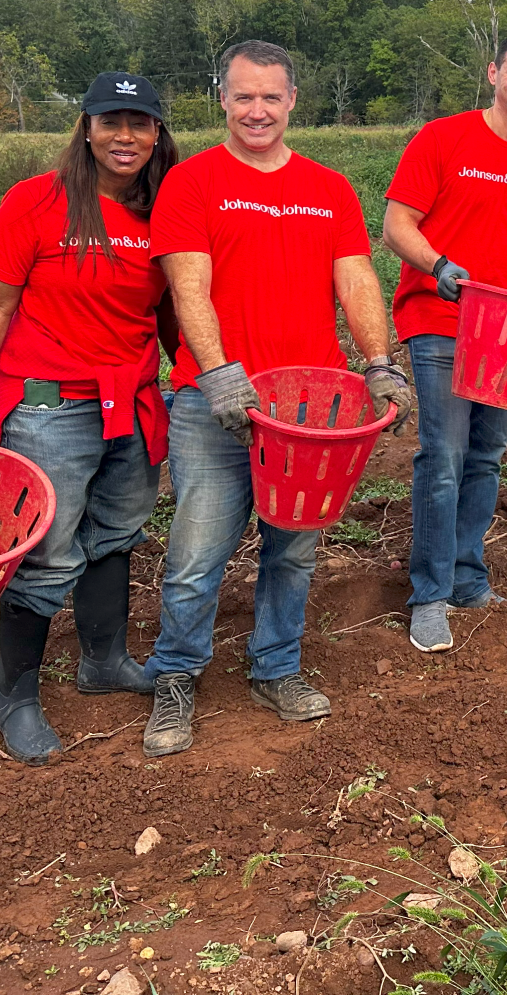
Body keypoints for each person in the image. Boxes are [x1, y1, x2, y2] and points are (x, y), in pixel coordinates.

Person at [142, 40, 413, 757]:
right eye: (243, 96)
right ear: (222, 100)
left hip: (310, 408)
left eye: (271, 96)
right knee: (200, 551)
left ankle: (276, 667)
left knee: (292, 549)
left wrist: (380, 363)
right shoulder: (193, 183)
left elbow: (354, 280)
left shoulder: (328, 187)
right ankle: (175, 676)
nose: (256, 110)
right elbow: (187, 285)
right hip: (217, 403)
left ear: (293, 101)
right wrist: (220, 370)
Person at [0, 73, 179, 764]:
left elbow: (170, 313)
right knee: (44, 550)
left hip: (131, 400)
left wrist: (197, 381)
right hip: (50, 405)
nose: (124, 137)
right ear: (87, 127)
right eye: (111, 123)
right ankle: (15, 696)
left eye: (140, 124)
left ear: (158, 133)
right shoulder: (36, 202)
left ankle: (103, 662)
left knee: (115, 535)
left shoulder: (165, 209)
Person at [383, 34, 507, 650]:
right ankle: (430, 594)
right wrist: (438, 266)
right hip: (440, 319)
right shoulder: (443, 139)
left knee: (486, 456)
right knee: (444, 458)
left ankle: (467, 574)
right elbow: (395, 226)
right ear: (494, 73)